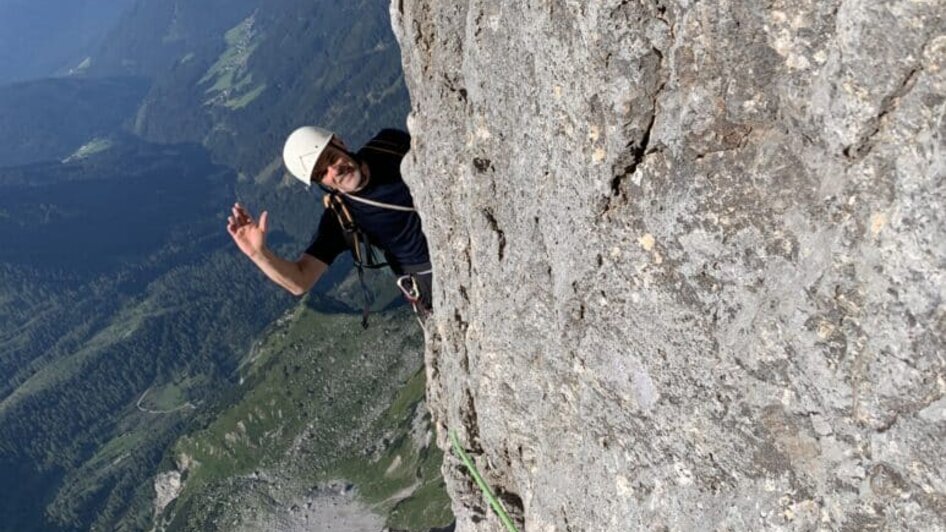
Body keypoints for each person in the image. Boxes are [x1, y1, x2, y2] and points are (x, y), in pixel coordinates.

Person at [226, 126, 432, 325]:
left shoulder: (389, 142)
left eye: (332, 158)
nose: (335, 171)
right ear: (321, 183)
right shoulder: (340, 218)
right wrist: (258, 254)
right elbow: (300, 281)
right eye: (323, 173)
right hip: (433, 280)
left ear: (339, 142)